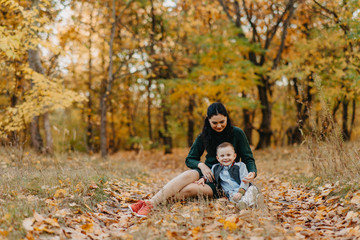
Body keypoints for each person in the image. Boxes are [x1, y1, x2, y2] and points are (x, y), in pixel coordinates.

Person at [129, 102, 257, 217]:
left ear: (227, 118)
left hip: (224, 180)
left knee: (188, 190)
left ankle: (149, 204)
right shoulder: (204, 135)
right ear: (208, 120)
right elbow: (190, 159)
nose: (219, 126)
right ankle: (150, 203)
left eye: (222, 122)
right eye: (214, 123)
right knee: (188, 174)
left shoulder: (237, 133)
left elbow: (248, 158)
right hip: (207, 172)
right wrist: (202, 166)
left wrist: (252, 172)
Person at [195, 142, 257, 209]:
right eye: (222, 156)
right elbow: (210, 176)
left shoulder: (240, 166)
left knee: (251, 189)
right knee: (234, 199)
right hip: (231, 193)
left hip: (243, 189)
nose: (225, 158)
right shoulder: (215, 168)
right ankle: (248, 203)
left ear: (234, 156)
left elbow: (245, 180)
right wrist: (203, 179)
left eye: (228, 155)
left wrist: (240, 192)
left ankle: (251, 199)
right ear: (218, 158)